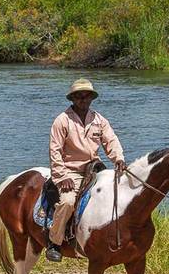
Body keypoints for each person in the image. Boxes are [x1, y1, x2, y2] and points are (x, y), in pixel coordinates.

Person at [45, 78, 127, 262]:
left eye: (86, 96)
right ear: (73, 99)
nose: (83, 99)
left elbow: (111, 141)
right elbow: (55, 150)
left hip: (94, 169)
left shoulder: (99, 120)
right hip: (70, 171)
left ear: (91, 98)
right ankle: (54, 242)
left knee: (116, 194)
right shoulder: (62, 120)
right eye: (79, 96)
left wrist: (119, 159)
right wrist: (62, 176)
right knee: (67, 202)